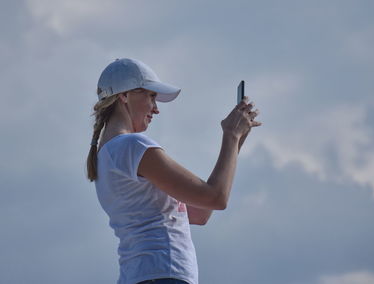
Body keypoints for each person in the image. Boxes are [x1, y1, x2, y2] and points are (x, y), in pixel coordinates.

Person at [86, 58, 261, 284]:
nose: (156, 109)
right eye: (151, 96)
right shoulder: (132, 146)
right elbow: (215, 198)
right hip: (163, 275)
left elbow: (200, 213)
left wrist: (236, 141)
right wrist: (231, 135)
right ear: (124, 96)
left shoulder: (109, 154)